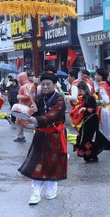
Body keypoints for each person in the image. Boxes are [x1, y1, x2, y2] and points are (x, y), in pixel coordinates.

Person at [18, 72, 67, 205]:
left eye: (48, 84)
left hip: (55, 135)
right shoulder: (39, 97)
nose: (44, 87)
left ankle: (52, 188)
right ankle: (35, 193)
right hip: (40, 134)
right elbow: (37, 113)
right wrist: (33, 111)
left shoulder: (59, 99)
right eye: (43, 84)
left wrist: (37, 119)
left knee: (52, 163)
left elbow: (52, 115)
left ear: (55, 85)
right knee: (36, 163)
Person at [73, 81, 110, 162]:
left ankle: (90, 155)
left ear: (85, 89)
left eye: (80, 91)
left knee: (88, 138)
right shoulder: (85, 98)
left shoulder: (90, 98)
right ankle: (89, 155)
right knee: (85, 138)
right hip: (87, 120)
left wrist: (85, 109)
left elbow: (93, 109)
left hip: (91, 120)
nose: (80, 93)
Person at [14, 72, 34, 143]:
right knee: (19, 121)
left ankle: (39, 129)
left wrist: (19, 96)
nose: (18, 80)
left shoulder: (24, 86)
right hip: (27, 105)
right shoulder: (29, 84)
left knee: (24, 122)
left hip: (24, 106)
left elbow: (27, 96)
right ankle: (20, 136)